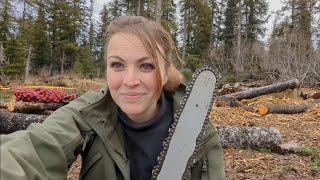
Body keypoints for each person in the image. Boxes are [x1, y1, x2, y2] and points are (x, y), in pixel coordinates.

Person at [0, 16, 226, 180]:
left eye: (146, 66)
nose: (129, 80)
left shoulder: (200, 133)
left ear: (166, 72)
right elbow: (33, 148)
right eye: (117, 65)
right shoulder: (90, 113)